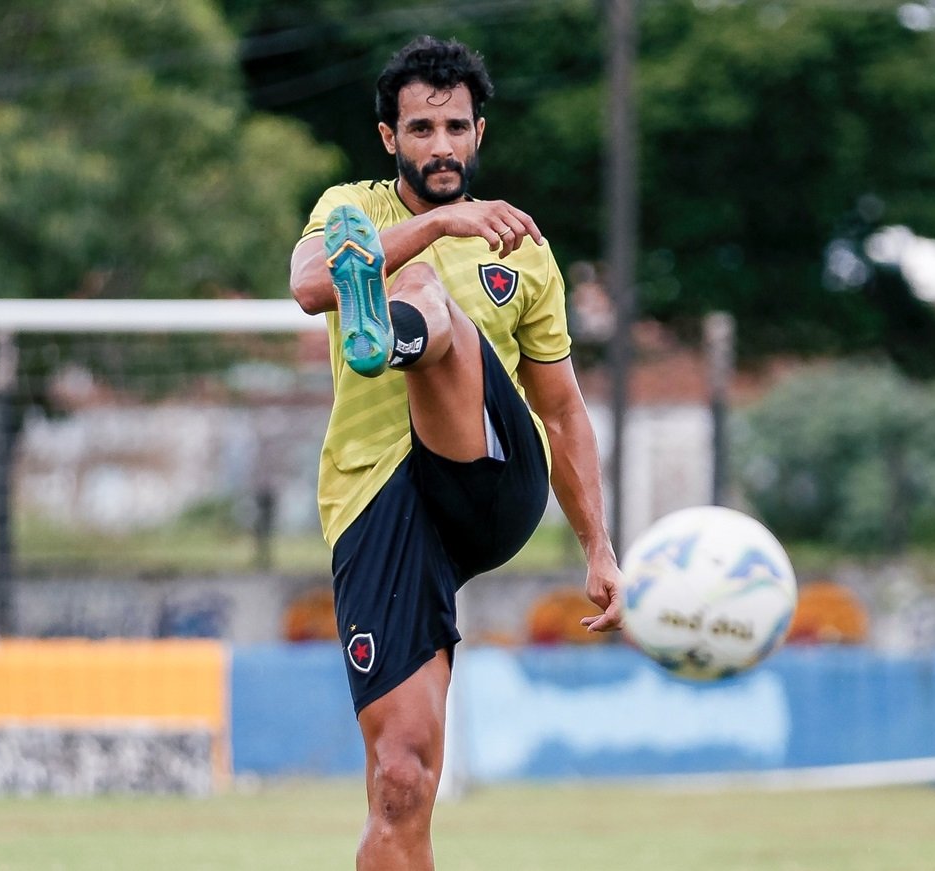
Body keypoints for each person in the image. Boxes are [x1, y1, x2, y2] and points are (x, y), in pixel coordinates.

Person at [289, 35, 621, 871]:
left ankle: (395, 334)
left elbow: (563, 408)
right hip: (380, 503)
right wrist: (436, 223)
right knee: (400, 776)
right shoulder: (350, 207)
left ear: (480, 134)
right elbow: (305, 285)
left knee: (429, 298)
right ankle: (399, 328)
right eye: (422, 129)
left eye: (457, 128)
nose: (441, 145)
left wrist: (598, 544)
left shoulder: (523, 247)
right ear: (388, 138)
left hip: (490, 481)